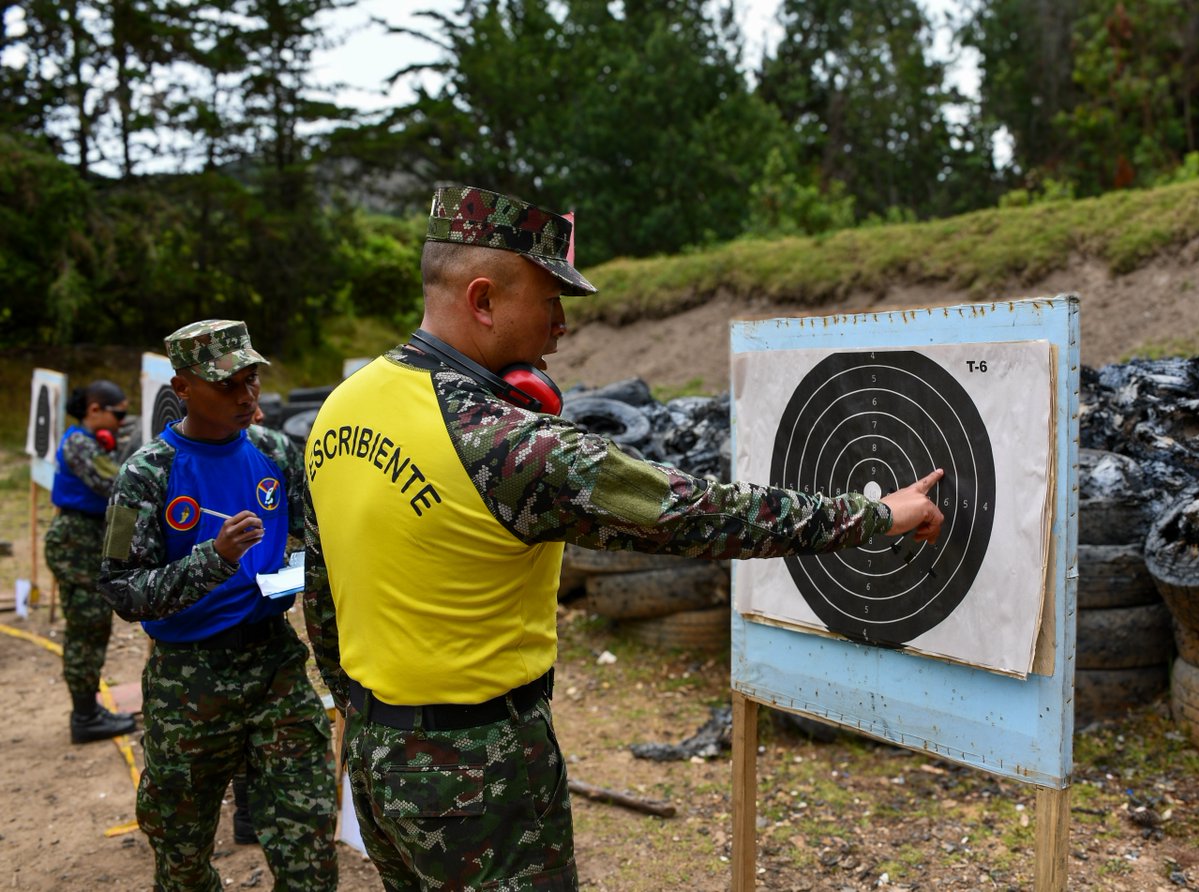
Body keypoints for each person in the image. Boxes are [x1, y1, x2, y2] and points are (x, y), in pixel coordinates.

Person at [302, 185, 945, 891]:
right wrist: (877, 514)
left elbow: (324, 593)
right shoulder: (508, 444)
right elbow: (700, 514)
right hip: (479, 768)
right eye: (551, 302)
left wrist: (362, 719)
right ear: (483, 300)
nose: (561, 327)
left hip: (375, 753)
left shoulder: (341, 409)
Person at [99, 320, 337, 892]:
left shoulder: (277, 452)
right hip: (189, 682)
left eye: (251, 380)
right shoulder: (143, 475)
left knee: (308, 848)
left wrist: (285, 581)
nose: (246, 396)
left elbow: (312, 546)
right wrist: (215, 559)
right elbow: (120, 588)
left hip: (275, 667)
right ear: (182, 388)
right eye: (228, 385)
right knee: (181, 855)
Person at [46, 379, 139, 744]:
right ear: (95, 410)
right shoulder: (80, 443)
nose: (121, 422)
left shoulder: (91, 440)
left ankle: (88, 710)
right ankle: (84, 717)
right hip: (77, 543)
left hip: (87, 540)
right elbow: (114, 483)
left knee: (94, 629)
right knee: (86, 632)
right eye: (118, 415)